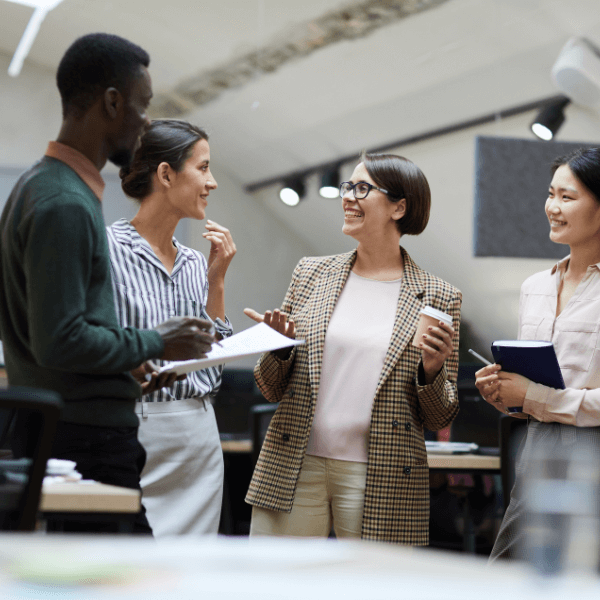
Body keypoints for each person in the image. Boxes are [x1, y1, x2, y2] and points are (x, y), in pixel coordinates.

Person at [0, 34, 215, 534]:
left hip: (72, 432)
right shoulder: (64, 202)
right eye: (141, 108)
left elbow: (54, 330)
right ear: (112, 102)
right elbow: (61, 339)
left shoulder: (43, 187)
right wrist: (158, 341)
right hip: (85, 439)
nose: (144, 125)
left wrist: (130, 357)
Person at [244, 153, 462, 544]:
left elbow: (439, 414)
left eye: (363, 189)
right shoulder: (311, 273)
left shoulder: (439, 296)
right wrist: (278, 349)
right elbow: (269, 387)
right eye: (348, 186)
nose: (348, 197)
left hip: (381, 473)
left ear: (399, 206)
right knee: (275, 584)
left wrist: (432, 370)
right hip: (294, 462)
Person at [107, 119, 236, 536]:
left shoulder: (197, 263)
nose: (212, 182)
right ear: (166, 174)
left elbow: (212, 374)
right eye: (203, 168)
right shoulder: (106, 250)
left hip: (198, 438)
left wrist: (216, 283)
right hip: (134, 432)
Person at [476, 147, 600, 561]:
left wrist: (533, 396)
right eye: (551, 194)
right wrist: (503, 392)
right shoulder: (535, 287)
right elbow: (532, 386)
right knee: (508, 574)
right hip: (536, 450)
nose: (553, 207)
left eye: (568, 197)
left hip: (593, 452)